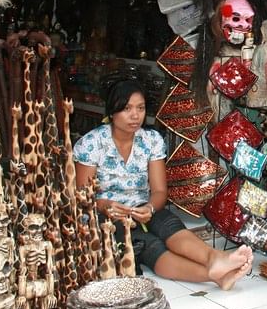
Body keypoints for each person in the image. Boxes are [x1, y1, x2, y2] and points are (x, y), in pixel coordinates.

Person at [74, 80, 253, 289]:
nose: (135, 115)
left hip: (140, 206)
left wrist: (149, 208)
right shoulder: (92, 143)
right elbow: (82, 196)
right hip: (104, 217)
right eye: (126, 108)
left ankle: (214, 258)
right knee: (148, 244)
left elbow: (159, 191)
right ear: (112, 112)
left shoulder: (151, 140)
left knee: (167, 223)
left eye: (140, 108)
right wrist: (106, 206)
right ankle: (215, 276)